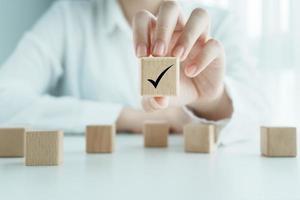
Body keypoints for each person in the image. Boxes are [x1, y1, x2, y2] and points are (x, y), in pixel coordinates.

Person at [0, 0, 264, 145]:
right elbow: (5, 98)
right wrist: (127, 117)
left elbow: (260, 114)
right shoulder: (67, 16)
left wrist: (209, 100)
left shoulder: (220, 22)